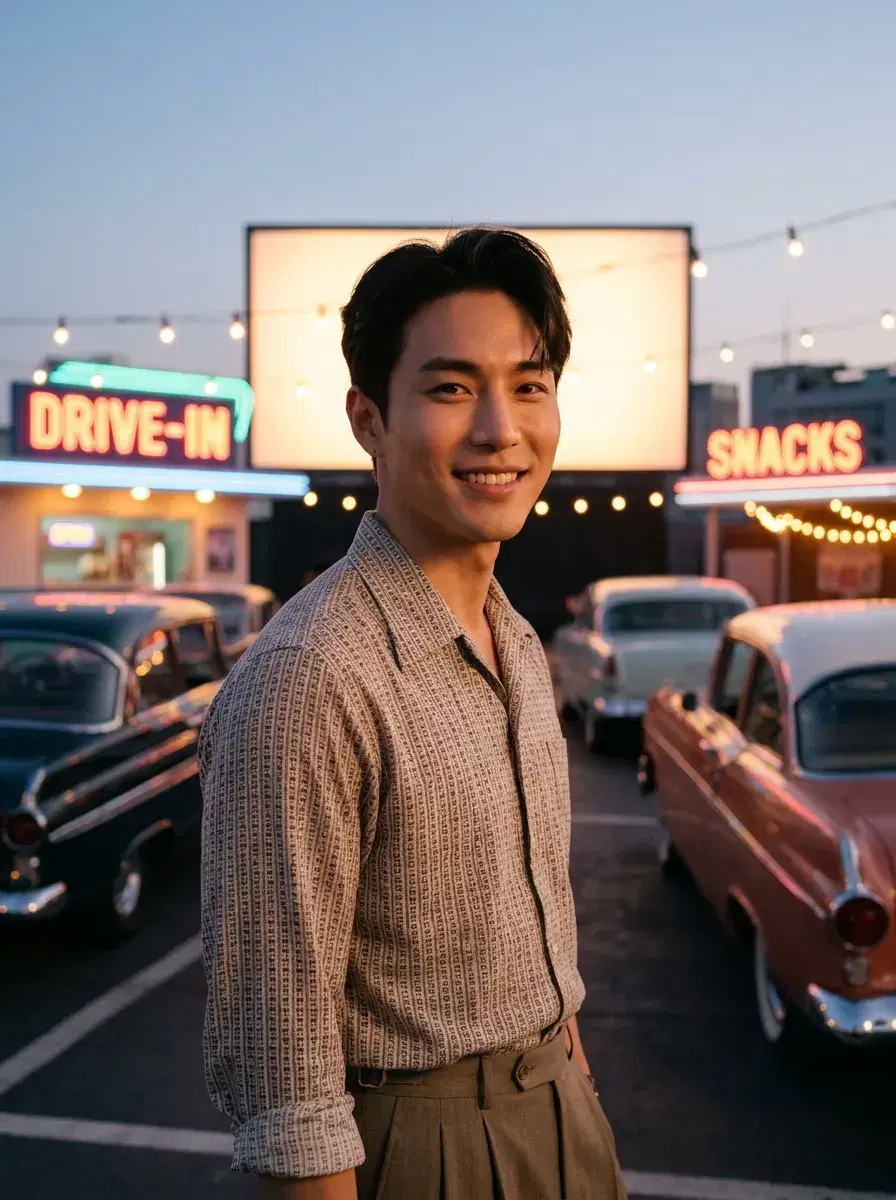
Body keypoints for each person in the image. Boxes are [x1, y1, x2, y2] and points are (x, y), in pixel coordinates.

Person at [199, 228, 627, 1199]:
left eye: (528, 385)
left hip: (561, 1112)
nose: (500, 430)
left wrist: (569, 1075)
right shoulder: (308, 677)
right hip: (418, 1149)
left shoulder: (518, 641)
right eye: (450, 389)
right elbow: (284, 1078)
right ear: (368, 419)